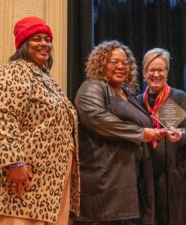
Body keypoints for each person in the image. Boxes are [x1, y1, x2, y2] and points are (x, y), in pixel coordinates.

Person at [0, 16, 80, 225]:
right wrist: (15, 162)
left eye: (47, 39)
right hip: (24, 184)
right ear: (23, 44)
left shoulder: (42, 76)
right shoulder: (14, 72)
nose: (44, 44)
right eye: (36, 39)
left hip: (47, 186)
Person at [73, 41, 164, 225]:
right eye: (114, 62)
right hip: (103, 186)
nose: (121, 66)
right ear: (100, 63)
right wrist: (139, 133)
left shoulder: (126, 93)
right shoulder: (92, 87)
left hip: (125, 182)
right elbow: (98, 119)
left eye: (125, 62)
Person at [137, 48, 186, 225]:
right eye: (151, 70)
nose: (156, 74)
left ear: (167, 72)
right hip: (146, 173)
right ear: (144, 73)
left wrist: (180, 135)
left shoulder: (178, 97)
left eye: (161, 70)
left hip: (175, 172)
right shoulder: (138, 101)